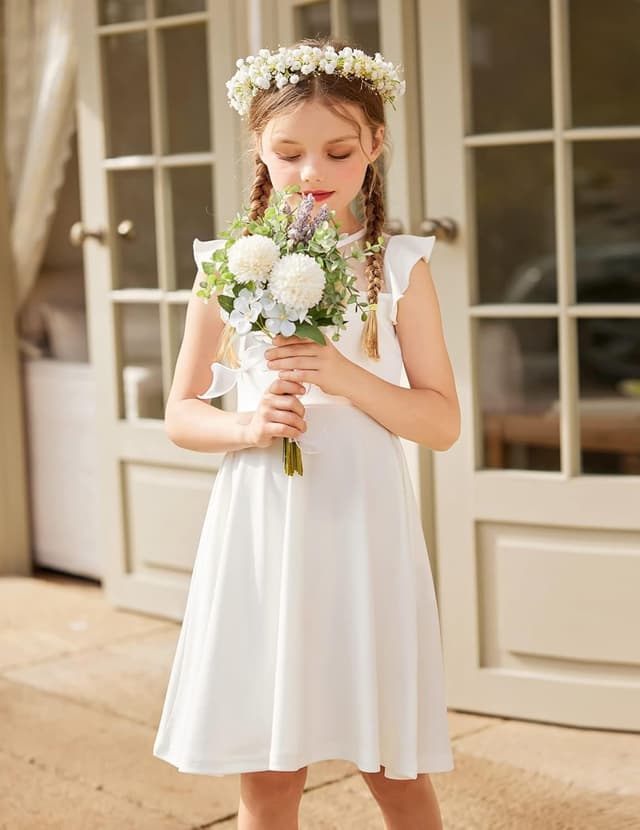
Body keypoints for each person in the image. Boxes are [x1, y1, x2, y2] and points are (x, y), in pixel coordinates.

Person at [153, 37, 461, 830]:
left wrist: (345, 376)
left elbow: (441, 423)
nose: (311, 173)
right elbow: (182, 413)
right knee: (268, 771)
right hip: (263, 524)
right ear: (259, 146)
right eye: (288, 152)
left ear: (375, 147)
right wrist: (250, 425)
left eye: (337, 151)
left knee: (392, 764)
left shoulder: (398, 267)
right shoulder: (228, 263)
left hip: (363, 525)